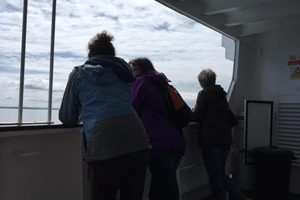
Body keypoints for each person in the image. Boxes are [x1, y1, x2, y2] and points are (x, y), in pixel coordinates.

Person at [59, 31, 151, 200]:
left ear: (90, 55)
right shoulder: (124, 75)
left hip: (105, 143)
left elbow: (67, 116)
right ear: (112, 55)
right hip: (138, 139)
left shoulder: (79, 73)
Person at [129, 57, 186, 200]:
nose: (132, 72)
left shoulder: (140, 82)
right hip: (177, 143)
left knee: (167, 191)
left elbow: (131, 109)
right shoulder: (166, 85)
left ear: (143, 69)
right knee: (158, 189)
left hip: (158, 144)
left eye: (134, 69)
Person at [193, 68, 247, 200]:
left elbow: (197, 116)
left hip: (211, 141)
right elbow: (232, 120)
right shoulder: (221, 95)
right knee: (220, 173)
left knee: (215, 175)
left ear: (202, 82)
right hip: (225, 140)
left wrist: (194, 111)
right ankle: (238, 197)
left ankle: (236, 197)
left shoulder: (204, 94)